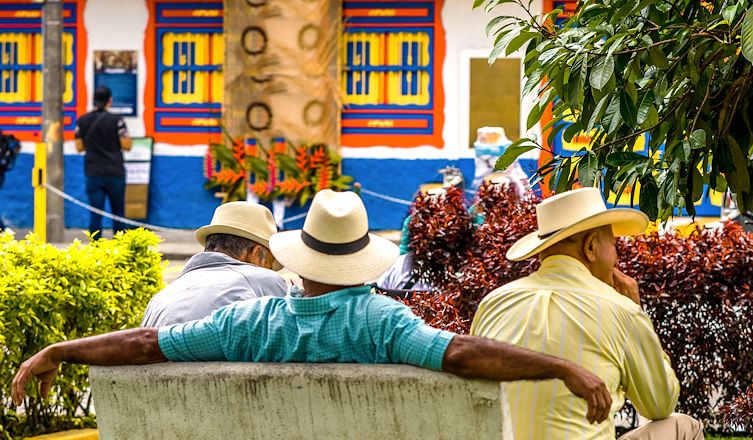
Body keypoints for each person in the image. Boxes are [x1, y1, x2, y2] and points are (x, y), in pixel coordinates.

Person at [12, 190, 613, 425]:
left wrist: (57, 350)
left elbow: (145, 345)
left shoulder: (250, 324)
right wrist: (563, 366)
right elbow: (460, 353)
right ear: (360, 260)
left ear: (299, 260)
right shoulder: (381, 325)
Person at [471, 187, 703, 440]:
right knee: (684, 425)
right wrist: (636, 313)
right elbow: (660, 404)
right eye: (614, 246)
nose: (616, 259)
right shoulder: (620, 309)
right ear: (591, 246)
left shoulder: (493, 303)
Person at [140, 201, 287, 327]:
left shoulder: (161, 297)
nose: (271, 271)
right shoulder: (265, 279)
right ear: (255, 254)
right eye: (269, 263)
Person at [75, 86, 132, 237]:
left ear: (94, 101)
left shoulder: (82, 121)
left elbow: (79, 147)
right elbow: (127, 145)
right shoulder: (117, 121)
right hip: (115, 172)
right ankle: (120, 247)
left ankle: (96, 248)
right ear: (110, 101)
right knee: (118, 213)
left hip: (93, 172)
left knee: (95, 213)